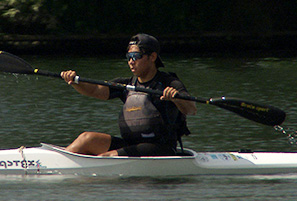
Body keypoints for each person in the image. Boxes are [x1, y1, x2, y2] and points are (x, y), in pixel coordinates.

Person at [61, 33, 197, 157]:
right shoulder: (126, 84)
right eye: (129, 57)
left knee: (106, 156)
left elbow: (191, 109)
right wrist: (74, 82)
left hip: (161, 149)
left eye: (136, 57)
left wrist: (176, 98)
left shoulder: (169, 82)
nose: (131, 61)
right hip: (131, 146)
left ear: (153, 57)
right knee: (87, 139)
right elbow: (95, 90)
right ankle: (59, 160)